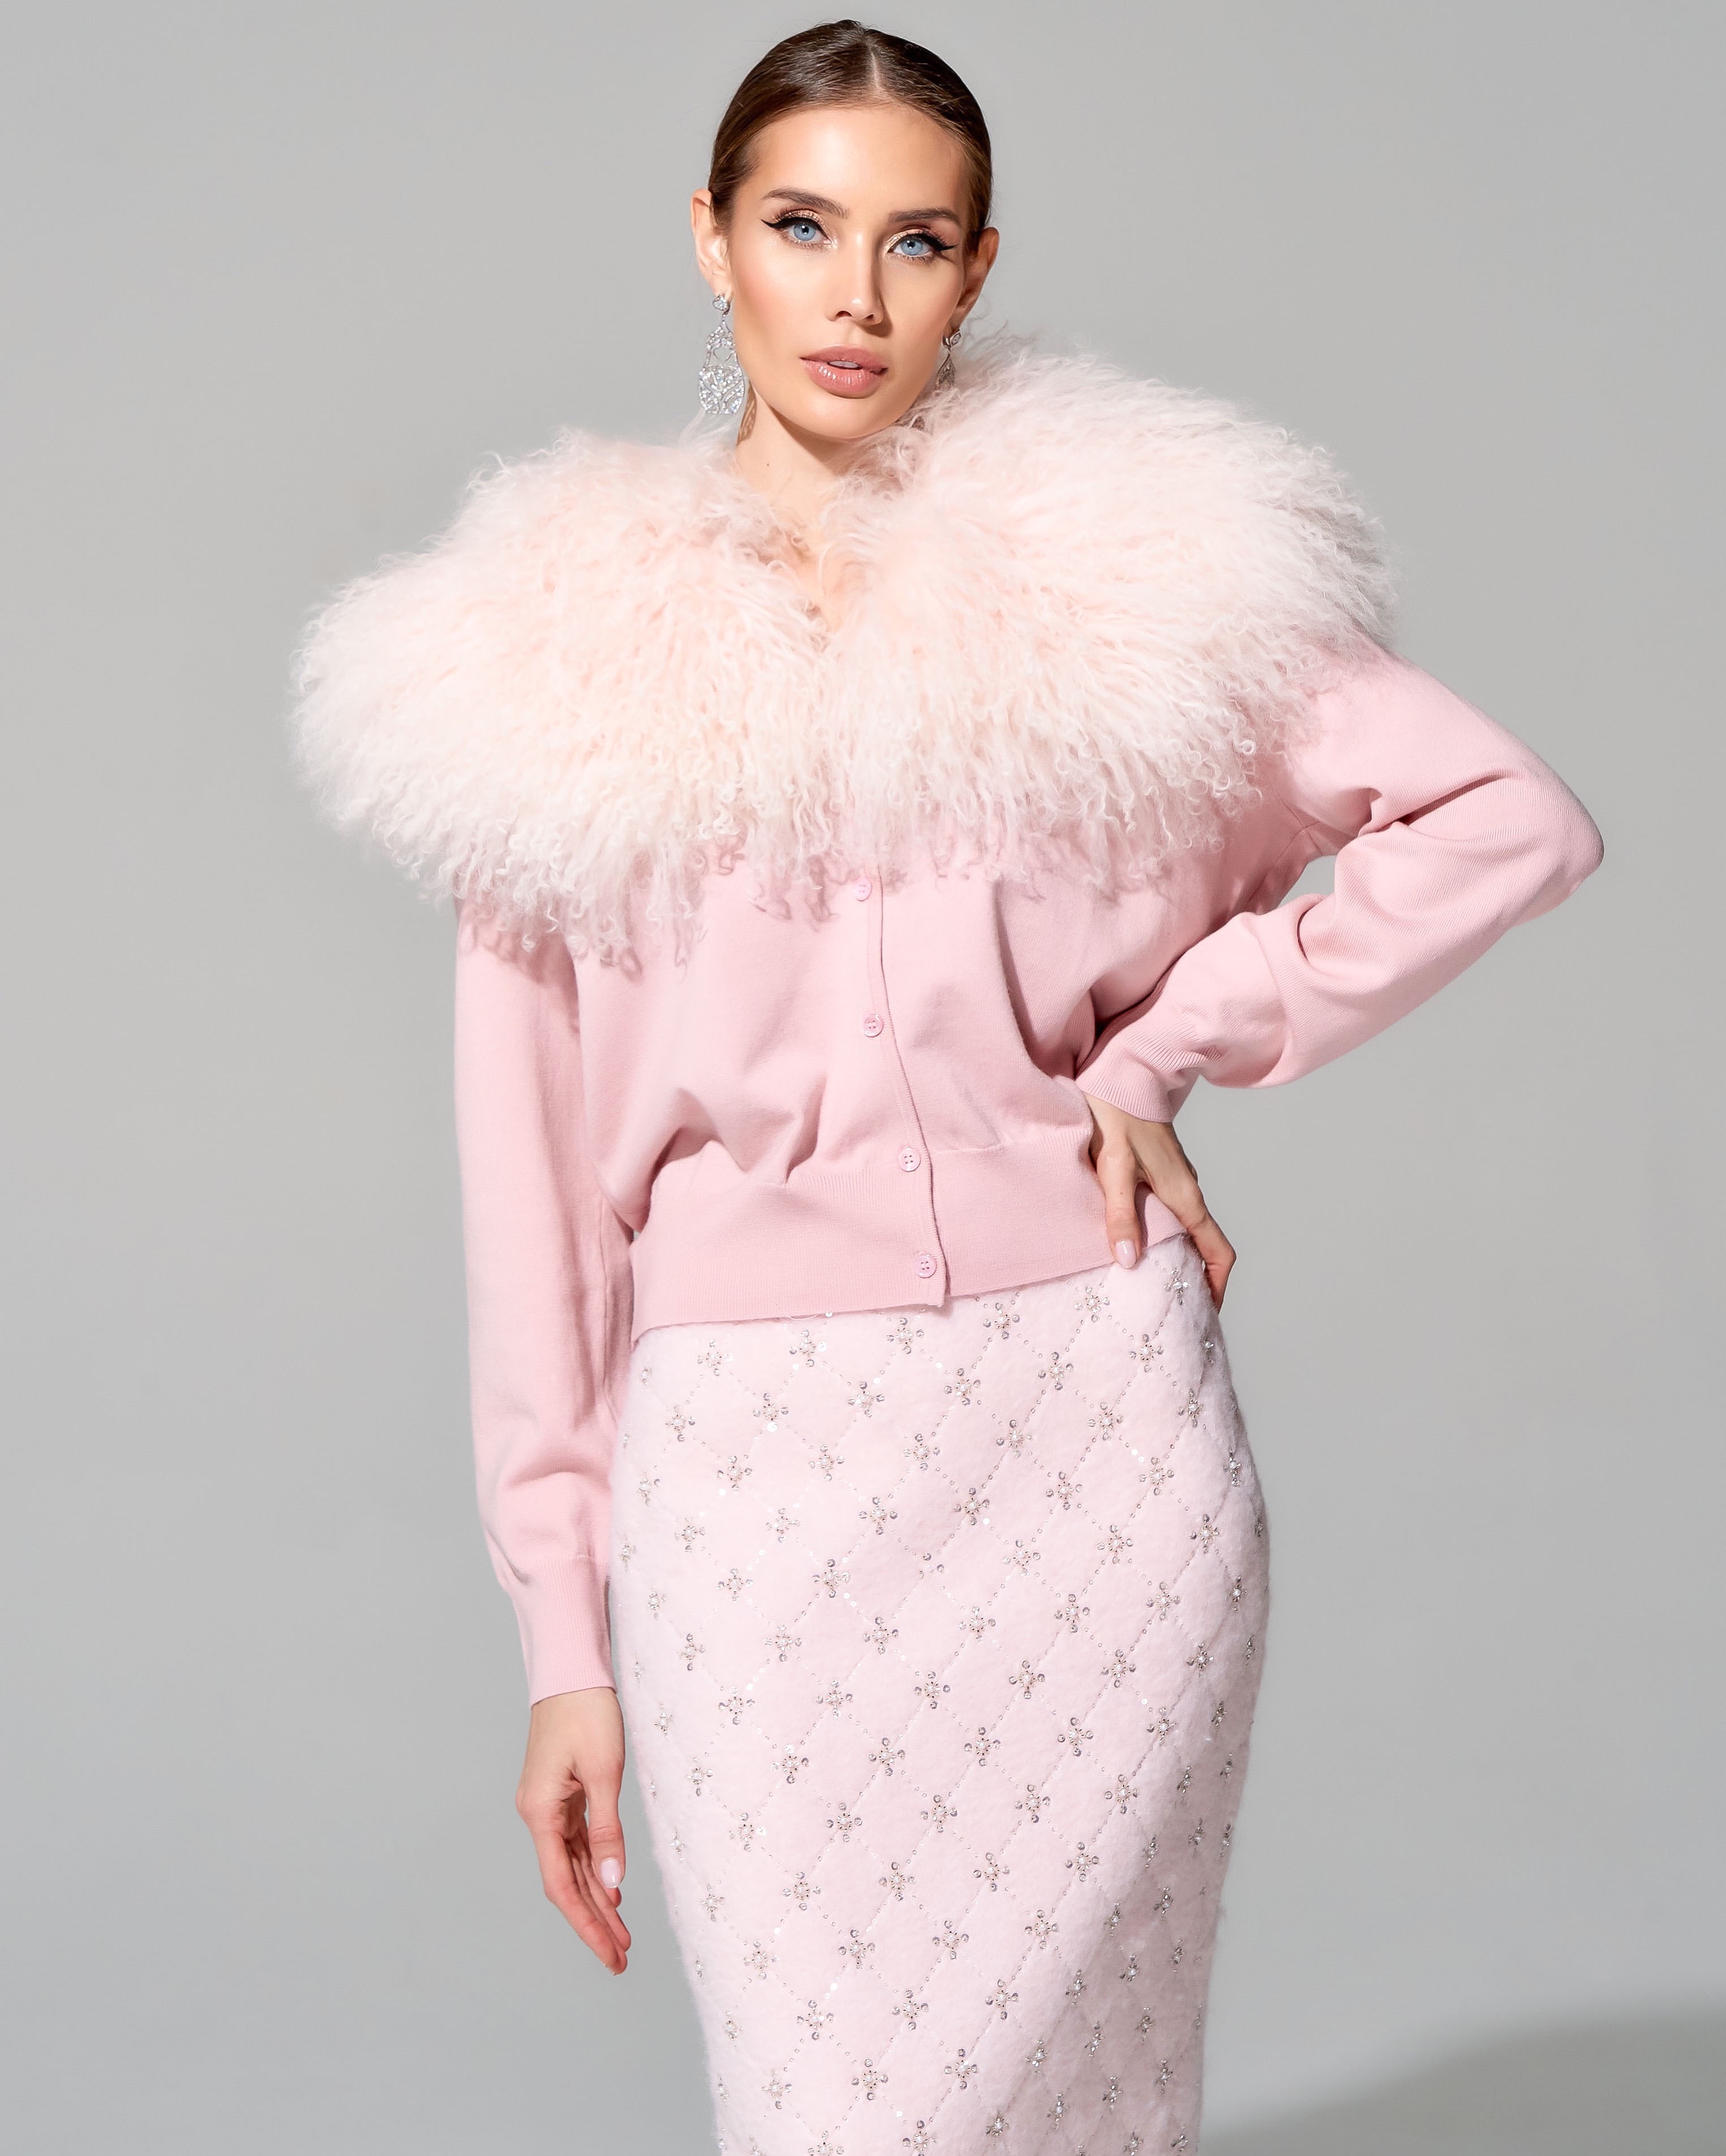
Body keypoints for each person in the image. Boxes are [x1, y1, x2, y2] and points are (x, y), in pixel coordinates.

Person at [290, 20, 1603, 2151]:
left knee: (1090, 2112)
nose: (856, 295)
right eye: (802, 227)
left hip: (1095, 1446)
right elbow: (534, 1210)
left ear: (978, 268)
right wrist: (562, 1634)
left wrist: (1172, 1039)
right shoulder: (542, 669)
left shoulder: (1133, 582)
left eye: (915, 242)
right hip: (753, 1500)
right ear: (711, 240)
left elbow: (1502, 818)